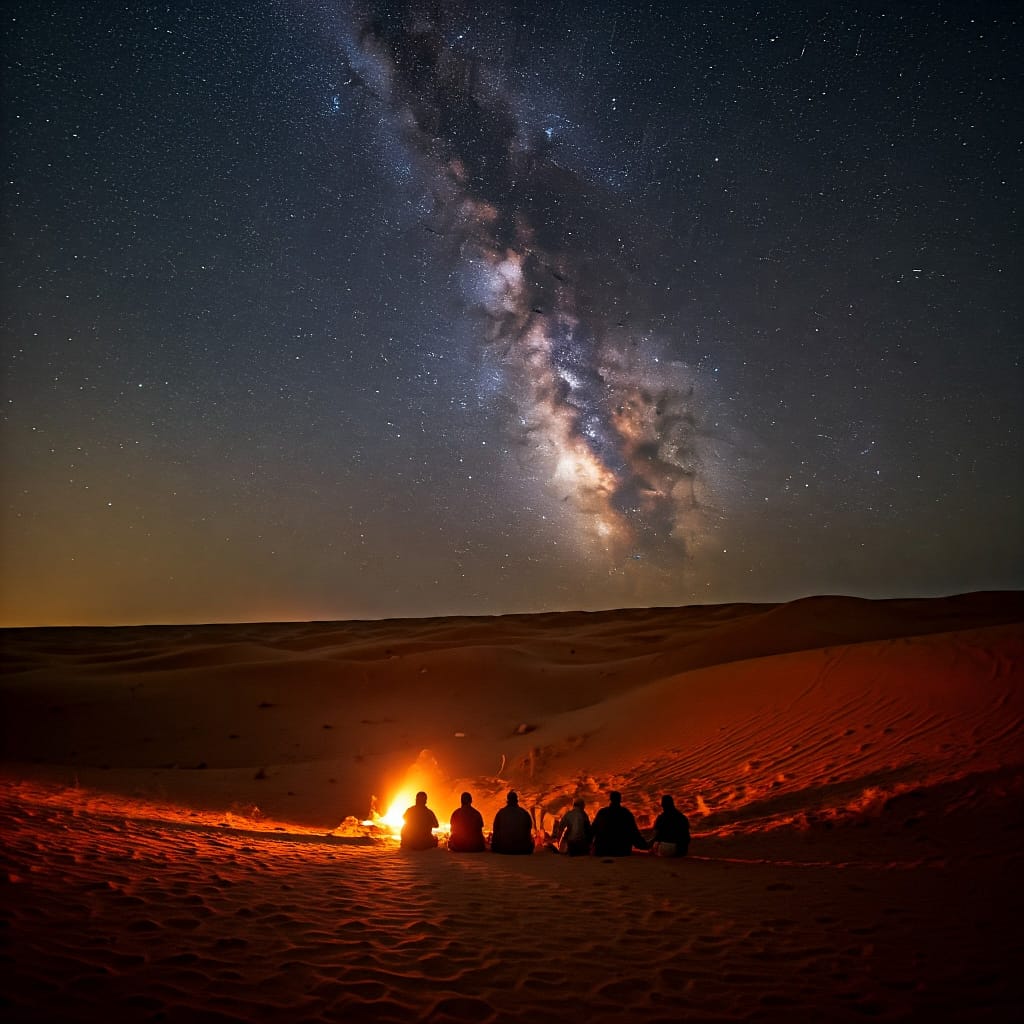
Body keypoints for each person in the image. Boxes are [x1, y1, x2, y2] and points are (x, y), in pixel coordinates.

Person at [591, 790, 648, 857]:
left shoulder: (602, 813)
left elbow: (593, 830)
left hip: (602, 851)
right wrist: (645, 845)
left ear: (610, 799)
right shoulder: (626, 814)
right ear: (620, 799)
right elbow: (634, 833)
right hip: (621, 851)